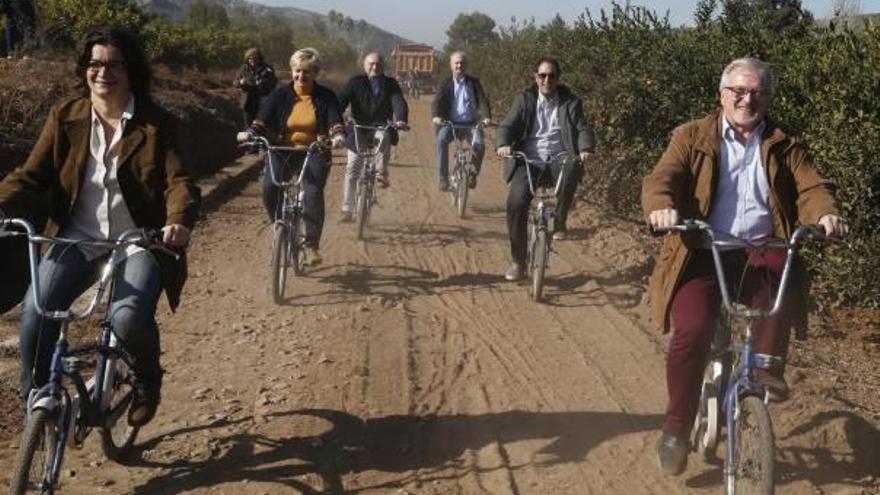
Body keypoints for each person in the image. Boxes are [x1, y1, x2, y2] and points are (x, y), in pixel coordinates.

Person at [642, 57, 849, 476]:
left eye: (755, 92)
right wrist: (662, 207)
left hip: (760, 247)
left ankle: (764, 372)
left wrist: (825, 213)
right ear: (722, 95)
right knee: (694, 329)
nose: (746, 99)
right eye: (738, 91)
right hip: (702, 250)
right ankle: (677, 428)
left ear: (766, 98)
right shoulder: (691, 136)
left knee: (783, 277)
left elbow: (812, 186)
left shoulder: (784, 142)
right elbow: (663, 176)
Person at [0, 27, 200, 427]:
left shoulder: (156, 124)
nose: (102, 72)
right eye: (94, 63)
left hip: (138, 240)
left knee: (126, 320)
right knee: (36, 316)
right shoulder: (66, 116)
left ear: (130, 70)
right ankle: (36, 410)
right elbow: (31, 176)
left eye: (113, 64)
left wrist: (177, 222)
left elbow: (180, 182)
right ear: (84, 68)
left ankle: (146, 379)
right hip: (78, 237)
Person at [237, 48, 345, 266]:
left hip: (314, 150)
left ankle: (311, 245)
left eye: (306, 72)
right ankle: (280, 226)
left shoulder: (326, 96)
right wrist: (250, 133)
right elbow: (262, 119)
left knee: (312, 192)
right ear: (292, 71)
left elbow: (335, 119)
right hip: (282, 149)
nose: (300, 76)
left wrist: (338, 134)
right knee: (269, 188)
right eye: (297, 71)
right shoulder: (280, 94)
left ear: (315, 73)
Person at [495, 57, 595, 280]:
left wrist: (585, 148)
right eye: (542, 75)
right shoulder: (524, 100)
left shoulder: (571, 102)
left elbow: (582, 128)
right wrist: (502, 143)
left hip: (559, 158)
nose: (546, 80)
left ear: (558, 79)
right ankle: (518, 262)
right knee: (515, 203)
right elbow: (508, 125)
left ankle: (560, 221)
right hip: (528, 160)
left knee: (572, 167)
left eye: (551, 76)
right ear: (536, 77)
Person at [337, 51, 408, 222]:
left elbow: (399, 102)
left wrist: (401, 119)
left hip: (380, 126)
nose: (375, 67)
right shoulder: (356, 82)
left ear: (383, 67)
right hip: (358, 129)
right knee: (352, 168)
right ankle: (347, 209)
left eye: (378, 64)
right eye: (371, 64)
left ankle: (381, 173)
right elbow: (341, 100)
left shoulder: (390, 84)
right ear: (365, 66)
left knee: (384, 135)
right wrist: (335, 119)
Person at [431, 50, 491, 191]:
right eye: (456, 63)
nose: (459, 66)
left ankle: (472, 173)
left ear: (466, 65)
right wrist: (436, 116)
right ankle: (443, 178)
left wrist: (486, 117)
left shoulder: (474, 82)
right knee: (441, 140)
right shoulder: (445, 83)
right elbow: (437, 101)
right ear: (451, 65)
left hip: (471, 124)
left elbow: (483, 100)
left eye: (462, 63)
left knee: (480, 145)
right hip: (450, 123)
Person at [233, 47, 277, 128]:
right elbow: (235, 82)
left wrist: (263, 83)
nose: (252, 61)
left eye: (255, 59)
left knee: (261, 126)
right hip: (247, 102)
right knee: (248, 127)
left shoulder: (267, 69)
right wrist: (240, 82)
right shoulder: (244, 68)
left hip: (262, 101)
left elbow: (273, 83)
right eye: (250, 59)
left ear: (259, 58)